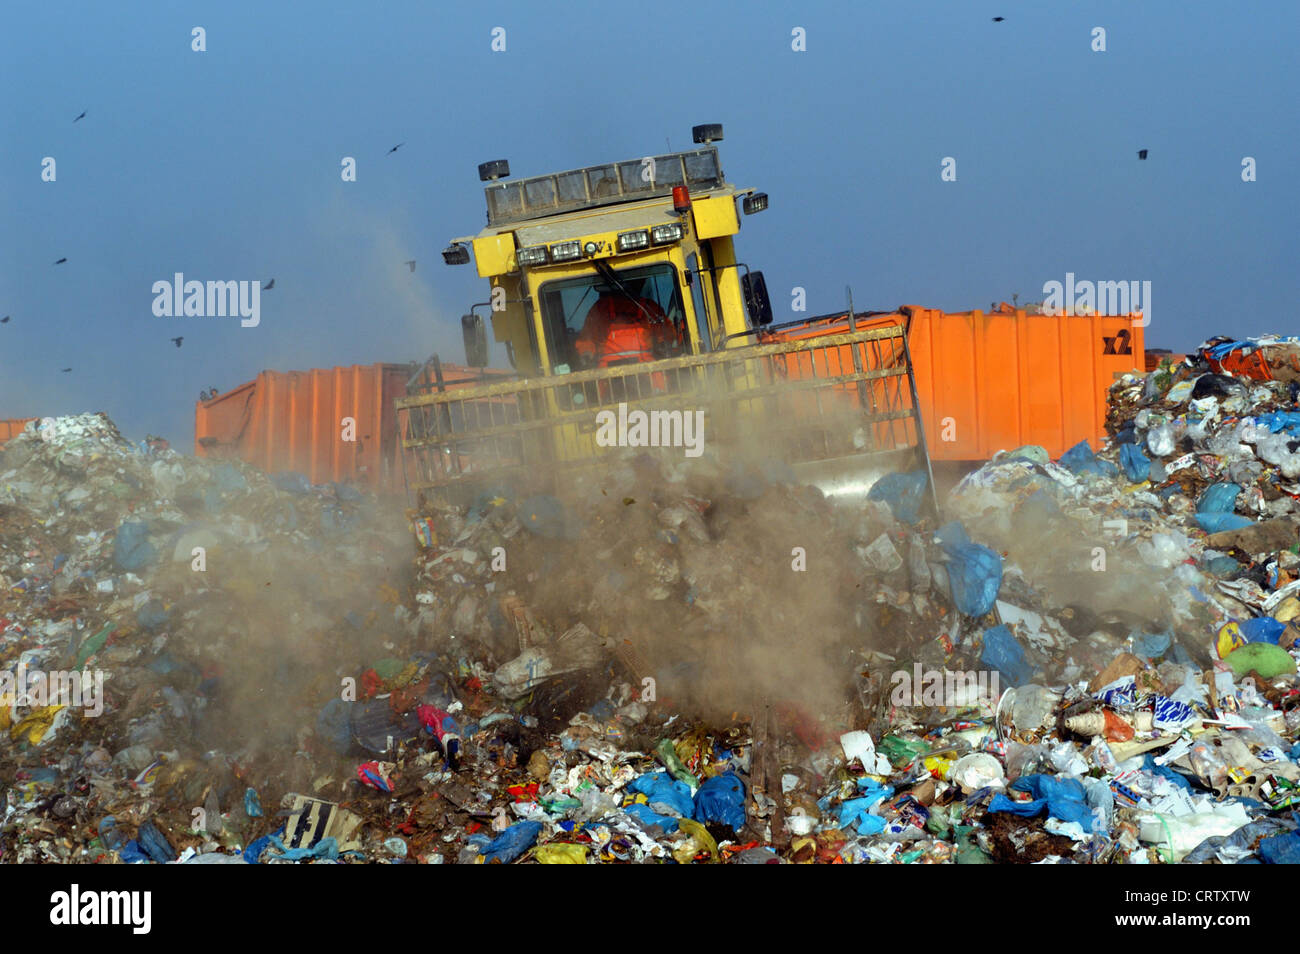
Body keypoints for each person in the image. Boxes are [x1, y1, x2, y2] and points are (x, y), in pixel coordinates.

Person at [574, 290, 679, 395]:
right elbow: (667, 332)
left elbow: (587, 337)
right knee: (661, 394)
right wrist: (663, 343)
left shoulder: (600, 307)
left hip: (609, 372)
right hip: (646, 367)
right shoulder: (648, 306)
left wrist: (586, 353)